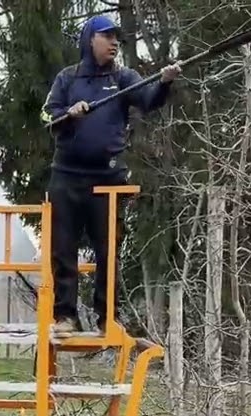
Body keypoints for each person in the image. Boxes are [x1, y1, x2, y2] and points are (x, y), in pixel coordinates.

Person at [40, 15, 180, 335]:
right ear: (90, 40)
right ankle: (66, 317)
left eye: (117, 37)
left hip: (107, 180)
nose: (115, 42)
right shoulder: (67, 78)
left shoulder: (123, 77)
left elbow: (148, 101)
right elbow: (46, 115)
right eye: (107, 36)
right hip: (66, 177)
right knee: (63, 250)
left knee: (108, 251)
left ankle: (107, 319)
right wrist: (68, 114)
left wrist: (164, 82)